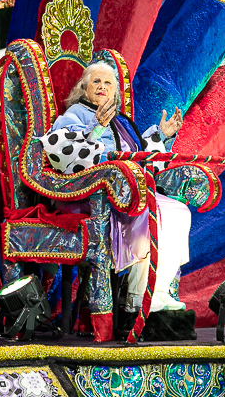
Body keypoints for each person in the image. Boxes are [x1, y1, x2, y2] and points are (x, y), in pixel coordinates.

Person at [41, 62, 187, 313]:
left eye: (108, 83)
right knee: (148, 212)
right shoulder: (74, 115)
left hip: (130, 190)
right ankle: (138, 298)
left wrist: (161, 135)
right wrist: (96, 127)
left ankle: (158, 289)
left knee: (178, 212)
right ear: (83, 88)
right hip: (91, 195)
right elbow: (64, 156)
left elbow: (138, 157)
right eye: (96, 81)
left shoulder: (121, 123)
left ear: (115, 93)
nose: (102, 86)